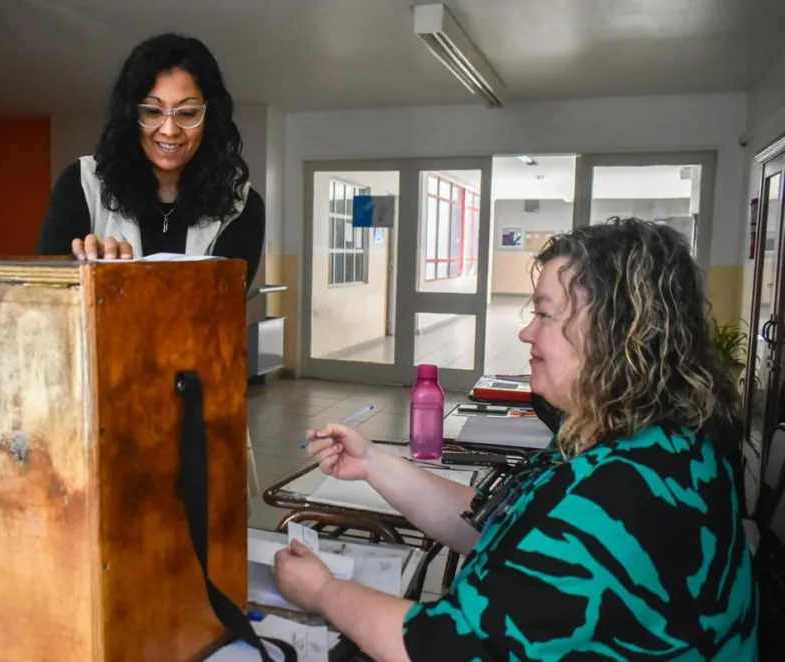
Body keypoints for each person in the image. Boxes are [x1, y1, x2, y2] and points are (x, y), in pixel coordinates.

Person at [273, 217, 758, 661]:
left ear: (616, 332)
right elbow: (494, 520)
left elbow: (440, 648)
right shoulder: (652, 440)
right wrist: (373, 463)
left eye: (546, 315)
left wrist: (322, 591)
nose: (527, 332)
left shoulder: (621, 491)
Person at [35, 33, 265, 285]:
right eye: (152, 111)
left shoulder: (242, 205)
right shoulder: (80, 183)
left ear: (210, 118)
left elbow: (222, 308)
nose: (169, 130)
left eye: (187, 113)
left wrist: (124, 283)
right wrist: (88, 271)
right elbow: (47, 298)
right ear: (130, 115)